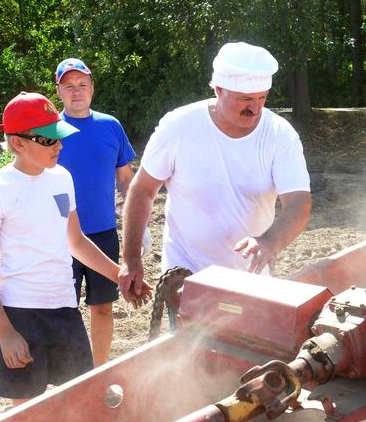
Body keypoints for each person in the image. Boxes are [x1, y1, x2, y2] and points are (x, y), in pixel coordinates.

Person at [0, 91, 151, 406]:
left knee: (79, 403)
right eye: (49, 140)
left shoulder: (62, 178)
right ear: (18, 143)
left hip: (64, 309)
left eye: (59, 137)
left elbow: (75, 240)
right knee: (25, 413)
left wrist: (119, 274)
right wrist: (5, 332)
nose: (59, 146)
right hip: (19, 314)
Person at [119, 42, 312, 304]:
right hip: (186, 275)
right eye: (245, 99)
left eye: (262, 98)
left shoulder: (280, 135)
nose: (254, 109)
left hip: (252, 279)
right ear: (219, 89)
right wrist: (131, 260)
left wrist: (269, 242)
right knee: (192, 343)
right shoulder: (178, 127)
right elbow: (142, 190)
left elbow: (299, 204)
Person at [55, 58, 137, 366]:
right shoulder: (50, 130)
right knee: (64, 310)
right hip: (61, 236)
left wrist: (137, 227)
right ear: (59, 90)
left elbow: (126, 179)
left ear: (92, 88)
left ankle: (99, 370)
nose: (76, 92)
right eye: (69, 86)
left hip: (103, 232)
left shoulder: (110, 126)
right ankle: (68, 377)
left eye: (82, 85)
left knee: (103, 306)